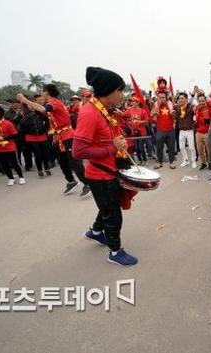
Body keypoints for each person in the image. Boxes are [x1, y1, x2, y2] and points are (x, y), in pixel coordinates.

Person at [72, 67, 138, 266]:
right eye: (120, 90)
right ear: (109, 92)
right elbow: (78, 151)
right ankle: (115, 252)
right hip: (100, 175)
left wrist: (119, 142)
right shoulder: (90, 113)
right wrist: (112, 147)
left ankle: (95, 231)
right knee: (113, 214)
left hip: (110, 169)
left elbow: (105, 138)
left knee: (108, 206)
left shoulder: (105, 110)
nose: (122, 95)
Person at [17, 84, 90, 197]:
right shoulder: (51, 103)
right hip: (58, 137)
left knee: (74, 161)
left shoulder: (55, 102)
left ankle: (87, 183)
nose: (41, 93)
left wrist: (24, 99)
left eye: (42, 91)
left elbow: (42, 109)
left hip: (67, 135)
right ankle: (71, 181)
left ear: (46, 92)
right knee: (62, 161)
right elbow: (38, 109)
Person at [0, 104, 26, 186]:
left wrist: (4, 138)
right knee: (4, 164)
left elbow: (15, 135)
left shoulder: (7, 123)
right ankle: (11, 178)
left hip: (9, 147)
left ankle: (21, 177)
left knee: (14, 163)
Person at [18, 100, 51, 178]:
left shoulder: (39, 114)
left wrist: (44, 129)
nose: (31, 106)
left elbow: (47, 121)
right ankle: (40, 170)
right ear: (26, 106)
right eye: (29, 105)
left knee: (45, 154)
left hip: (42, 136)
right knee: (37, 155)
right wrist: (27, 133)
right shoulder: (23, 116)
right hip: (31, 138)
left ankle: (46, 168)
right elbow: (20, 129)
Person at [151, 91, 176, 169]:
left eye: (163, 97)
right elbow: (152, 116)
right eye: (159, 97)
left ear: (166, 98)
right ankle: (160, 162)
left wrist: (173, 114)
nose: (161, 99)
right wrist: (155, 113)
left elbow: (175, 117)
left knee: (171, 147)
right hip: (160, 130)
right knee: (159, 147)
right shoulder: (155, 105)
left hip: (170, 130)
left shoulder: (170, 105)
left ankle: (171, 162)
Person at [173, 92, 197, 168]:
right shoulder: (176, 107)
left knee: (191, 147)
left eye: (182, 98)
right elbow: (174, 117)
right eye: (179, 98)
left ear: (186, 99)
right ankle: (185, 160)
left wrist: (195, 109)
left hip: (189, 130)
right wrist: (173, 114)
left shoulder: (191, 106)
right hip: (181, 131)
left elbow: (196, 111)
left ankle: (193, 161)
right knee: (181, 147)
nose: (181, 100)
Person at [124, 96, 150, 165]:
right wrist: (116, 111)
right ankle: (140, 160)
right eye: (132, 101)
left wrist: (140, 122)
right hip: (134, 132)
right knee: (136, 148)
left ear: (137, 103)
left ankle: (145, 160)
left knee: (141, 147)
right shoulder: (130, 110)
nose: (132, 103)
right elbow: (123, 114)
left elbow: (147, 120)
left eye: (134, 101)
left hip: (142, 132)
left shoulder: (142, 111)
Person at [194, 93, 211, 170]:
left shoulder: (209, 107)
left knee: (209, 150)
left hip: (207, 132)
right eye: (200, 101)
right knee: (200, 150)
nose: (201, 102)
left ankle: (210, 163)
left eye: (203, 101)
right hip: (198, 132)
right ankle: (203, 163)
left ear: (205, 100)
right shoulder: (196, 109)